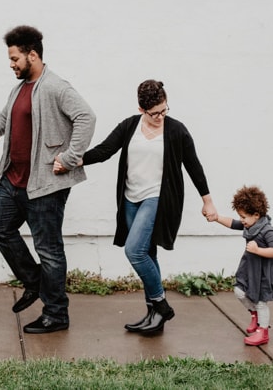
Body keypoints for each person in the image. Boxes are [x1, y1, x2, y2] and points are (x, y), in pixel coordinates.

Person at [55, 79, 217, 334]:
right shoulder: (130, 126)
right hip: (130, 199)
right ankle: (154, 317)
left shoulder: (176, 130)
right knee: (148, 253)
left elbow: (193, 165)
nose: (161, 117)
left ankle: (161, 305)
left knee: (135, 252)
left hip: (157, 198)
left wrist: (207, 201)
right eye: (155, 113)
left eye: (164, 110)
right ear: (142, 109)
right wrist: (72, 161)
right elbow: (105, 150)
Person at [0, 25, 96, 334]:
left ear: (32, 55)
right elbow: (6, 116)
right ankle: (34, 282)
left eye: (15, 58)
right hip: (13, 180)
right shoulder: (19, 88)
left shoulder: (56, 86)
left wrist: (70, 157)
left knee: (49, 250)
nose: (11, 64)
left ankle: (56, 314)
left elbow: (87, 117)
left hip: (44, 185)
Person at [208, 185, 273, 346]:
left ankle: (262, 331)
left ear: (256, 215)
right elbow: (232, 223)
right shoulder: (249, 225)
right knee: (239, 291)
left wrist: (258, 250)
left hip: (262, 272)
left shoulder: (267, 230)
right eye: (241, 216)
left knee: (260, 301)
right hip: (249, 268)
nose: (242, 220)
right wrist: (216, 217)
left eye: (244, 217)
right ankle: (254, 315)